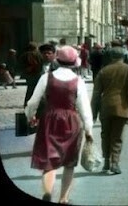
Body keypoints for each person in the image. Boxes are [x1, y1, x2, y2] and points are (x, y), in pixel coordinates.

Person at [25, 45, 94, 204]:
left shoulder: (46, 77)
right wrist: (89, 130)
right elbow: (85, 109)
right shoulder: (78, 81)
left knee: (49, 162)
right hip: (71, 122)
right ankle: (63, 198)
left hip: (50, 119)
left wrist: (30, 117)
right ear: (73, 63)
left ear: (58, 60)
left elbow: (32, 102)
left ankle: (48, 192)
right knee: (69, 163)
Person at [91, 45, 128, 175]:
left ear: (111, 56)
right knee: (117, 136)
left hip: (105, 106)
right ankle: (115, 163)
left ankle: (106, 162)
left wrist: (93, 113)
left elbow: (96, 94)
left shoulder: (103, 71)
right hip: (122, 107)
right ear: (123, 56)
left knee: (105, 135)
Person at [18, 41, 43, 106]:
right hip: (36, 74)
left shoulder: (25, 54)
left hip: (30, 74)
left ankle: (28, 104)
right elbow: (36, 64)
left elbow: (20, 65)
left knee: (30, 89)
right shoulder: (35, 54)